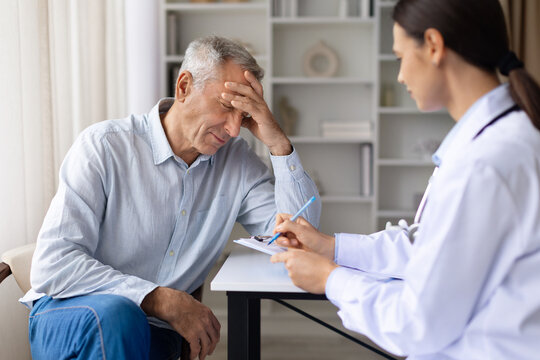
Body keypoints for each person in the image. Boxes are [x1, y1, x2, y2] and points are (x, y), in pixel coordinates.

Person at [21, 36, 321, 360]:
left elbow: (296, 238)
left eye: (245, 115)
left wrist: (277, 141)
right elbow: (54, 264)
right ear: (184, 86)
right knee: (119, 317)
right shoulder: (104, 147)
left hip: (157, 329)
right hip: (72, 313)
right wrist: (160, 299)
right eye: (226, 107)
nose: (235, 129)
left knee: (133, 326)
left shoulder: (237, 163)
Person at [271, 0, 540, 358]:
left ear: (433, 45)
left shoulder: (487, 162)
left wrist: (330, 278)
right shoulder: (499, 140)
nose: (399, 76)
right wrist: (328, 246)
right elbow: (425, 248)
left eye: (400, 56)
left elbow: (418, 324)